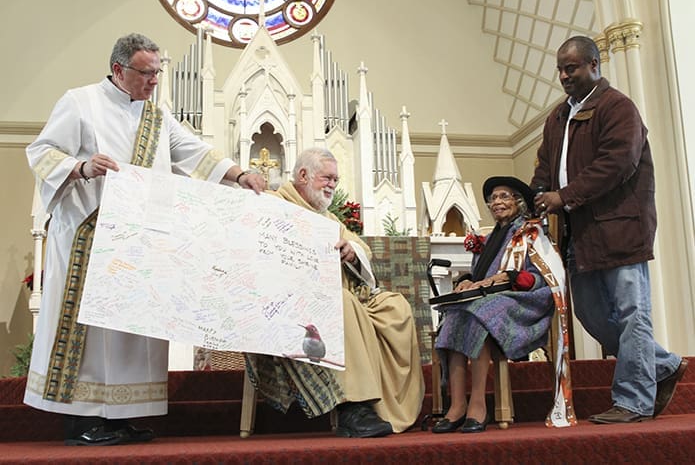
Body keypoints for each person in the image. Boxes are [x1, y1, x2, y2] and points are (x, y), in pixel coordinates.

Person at [24, 33, 266, 446]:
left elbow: (193, 152)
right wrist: (82, 167)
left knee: (131, 330)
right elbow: (41, 151)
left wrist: (239, 175)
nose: (154, 80)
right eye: (146, 73)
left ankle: (119, 415)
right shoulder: (79, 102)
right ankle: (83, 421)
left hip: (136, 241)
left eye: (158, 72)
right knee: (91, 331)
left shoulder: (156, 117)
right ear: (119, 70)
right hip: (88, 232)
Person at [532, 35, 687, 424]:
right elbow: (544, 168)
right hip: (579, 234)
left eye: (573, 68)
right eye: (561, 70)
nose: (565, 76)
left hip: (620, 229)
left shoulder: (617, 107)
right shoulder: (557, 118)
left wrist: (563, 196)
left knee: (632, 313)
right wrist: (532, 195)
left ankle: (633, 400)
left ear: (594, 66)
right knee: (590, 313)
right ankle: (664, 363)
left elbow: (617, 164)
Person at [245, 147, 425, 438]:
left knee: (395, 307)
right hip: (289, 306)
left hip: (337, 298)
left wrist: (352, 252)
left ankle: (387, 407)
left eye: (335, 180)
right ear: (303, 175)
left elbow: (360, 247)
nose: (332, 184)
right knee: (342, 303)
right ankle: (353, 407)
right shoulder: (272, 205)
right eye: (326, 178)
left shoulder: (328, 218)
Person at [433, 176, 570, 433]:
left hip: (526, 303)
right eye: (494, 198)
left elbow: (544, 277)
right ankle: (457, 405)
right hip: (491, 299)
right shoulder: (492, 237)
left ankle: (478, 404)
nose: (497, 202)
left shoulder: (531, 233)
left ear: (518, 203)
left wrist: (511, 277)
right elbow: (481, 277)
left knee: (479, 313)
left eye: (504, 196)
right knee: (455, 314)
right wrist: (466, 281)